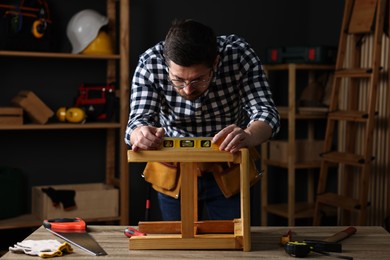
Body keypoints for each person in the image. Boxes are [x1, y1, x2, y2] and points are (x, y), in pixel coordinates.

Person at [125, 19, 280, 221]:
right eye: (178, 80)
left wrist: (249, 135)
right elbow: (135, 123)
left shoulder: (239, 56)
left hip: (229, 167)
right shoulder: (150, 63)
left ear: (215, 62)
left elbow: (266, 112)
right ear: (166, 63)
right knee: (179, 249)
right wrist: (140, 133)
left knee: (232, 247)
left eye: (198, 79)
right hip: (174, 173)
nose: (188, 89)